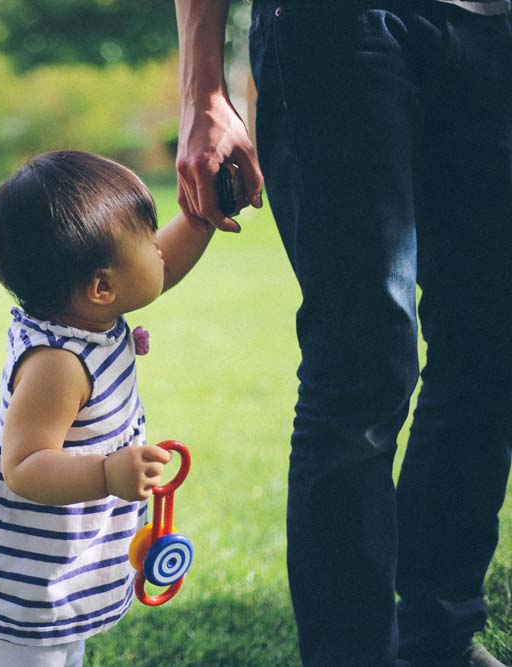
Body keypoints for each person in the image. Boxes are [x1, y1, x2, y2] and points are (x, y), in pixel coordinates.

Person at [173, 1, 512, 666]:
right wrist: (202, 88)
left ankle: (439, 638)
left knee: (491, 351)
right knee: (363, 360)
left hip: (488, 30)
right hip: (334, 24)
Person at [0, 150, 213, 667]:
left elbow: (162, 270)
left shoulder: (87, 316)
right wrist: (108, 473)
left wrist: (202, 217)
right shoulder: (58, 365)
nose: (162, 251)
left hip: (61, 560)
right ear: (102, 286)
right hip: (22, 576)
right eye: (149, 241)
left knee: (68, 653)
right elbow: (22, 466)